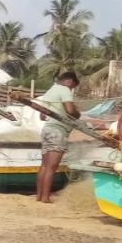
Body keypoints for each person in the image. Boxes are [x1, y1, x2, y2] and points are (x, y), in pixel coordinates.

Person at [31, 71, 81, 203]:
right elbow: (70, 111)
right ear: (70, 81)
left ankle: (39, 196)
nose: (72, 90)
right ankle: (46, 198)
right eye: (73, 87)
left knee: (44, 166)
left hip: (47, 129)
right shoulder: (64, 90)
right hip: (58, 131)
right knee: (51, 167)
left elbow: (42, 116)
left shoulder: (50, 91)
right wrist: (78, 114)